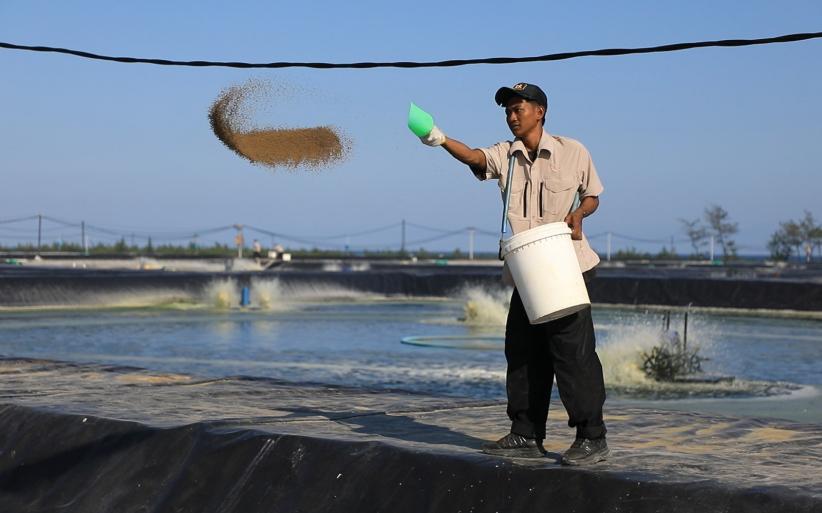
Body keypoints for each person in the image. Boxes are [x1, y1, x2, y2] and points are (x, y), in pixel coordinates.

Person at [417, 83, 608, 465]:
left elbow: (593, 195)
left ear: (540, 111)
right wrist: (438, 138)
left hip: (566, 265)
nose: (512, 116)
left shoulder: (574, 152)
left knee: (573, 355)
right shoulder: (506, 155)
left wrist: (580, 214)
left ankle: (592, 437)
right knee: (522, 351)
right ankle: (526, 433)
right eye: (507, 110)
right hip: (528, 269)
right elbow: (474, 158)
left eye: (518, 108)